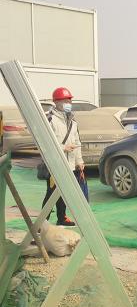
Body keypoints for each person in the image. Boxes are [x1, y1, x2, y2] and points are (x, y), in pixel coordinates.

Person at [42, 87, 85, 226]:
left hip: (69, 164)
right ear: (57, 102)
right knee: (51, 193)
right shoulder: (50, 119)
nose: (69, 103)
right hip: (55, 165)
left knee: (64, 192)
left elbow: (77, 142)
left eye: (70, 101)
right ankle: (42, 222)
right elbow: (45, 142)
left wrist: (79, 161)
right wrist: (63, 148)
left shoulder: (72, 121)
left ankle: (62, 218)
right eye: (66, 101)